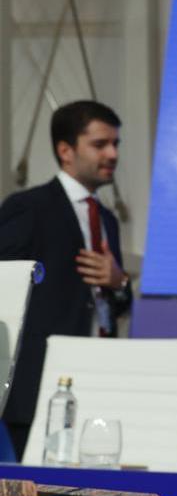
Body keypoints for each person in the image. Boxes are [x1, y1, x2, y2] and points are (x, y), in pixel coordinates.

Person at [0, 100, 132, 459]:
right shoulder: (28, 207)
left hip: (97, 374)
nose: (113, 153)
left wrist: (119, 282)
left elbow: (116, 299)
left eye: (116, 144)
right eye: (100, 144)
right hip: (39, 380)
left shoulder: (106, 218)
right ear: (65, 150)